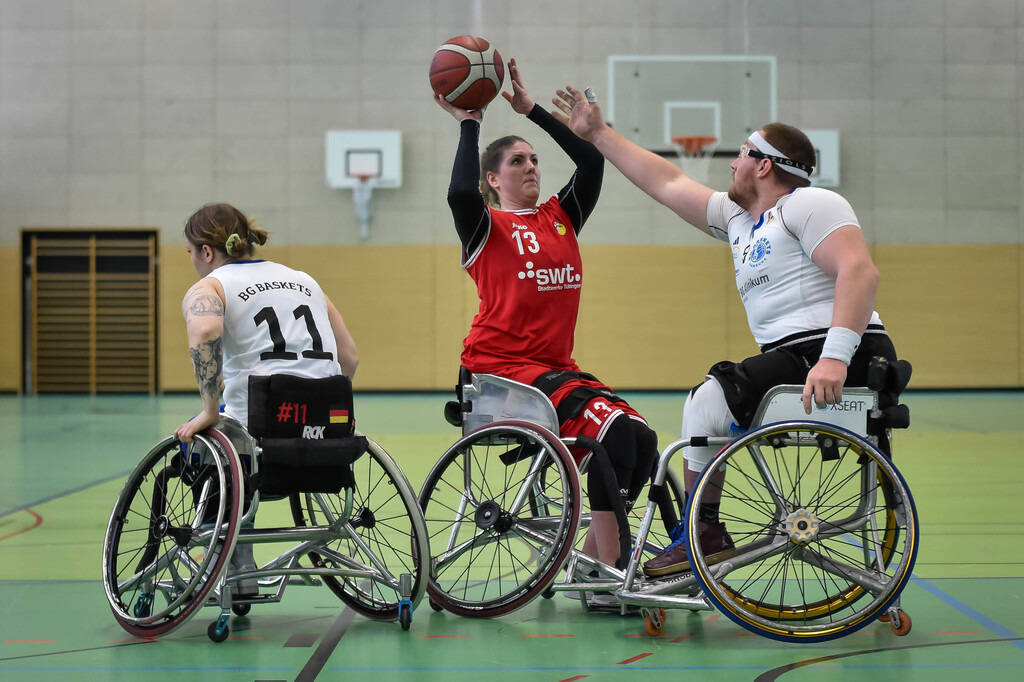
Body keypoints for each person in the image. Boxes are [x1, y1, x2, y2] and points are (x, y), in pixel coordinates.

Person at [551, 88, 899, 576]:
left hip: (839, 350)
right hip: (794, 356)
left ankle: (705, 533)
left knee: (709, 400)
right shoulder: (740, 220)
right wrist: (598, 134)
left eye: (741, 153)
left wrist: (836, 356)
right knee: (707, 403)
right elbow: (667, 181)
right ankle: (705, 530)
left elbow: (860, 273)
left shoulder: (811, 203)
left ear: (764, 165)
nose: (732, 162)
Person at [435, 59, 658, 571]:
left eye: (534, 159)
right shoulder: (485, 226)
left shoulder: (561, 217)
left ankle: (594, 560)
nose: (532, 166)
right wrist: (471, 121)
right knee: (615, 436)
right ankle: (613, 567)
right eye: (518, 162)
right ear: (494, 178)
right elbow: (459, 193)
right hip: (498, 371)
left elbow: (593, 162)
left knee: (641, 439)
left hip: (553, 370)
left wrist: (531, 110)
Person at [173, 202, 359, 592]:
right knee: (236, 427)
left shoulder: (210, 287)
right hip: (327, 434)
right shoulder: (305, 280)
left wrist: (209, 410)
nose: (193, 261)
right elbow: (350, 358)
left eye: (191, 253)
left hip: (258, 438)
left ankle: (233, 564)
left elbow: (205, 332)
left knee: (206, 438)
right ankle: (238, 562)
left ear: (206, 252)